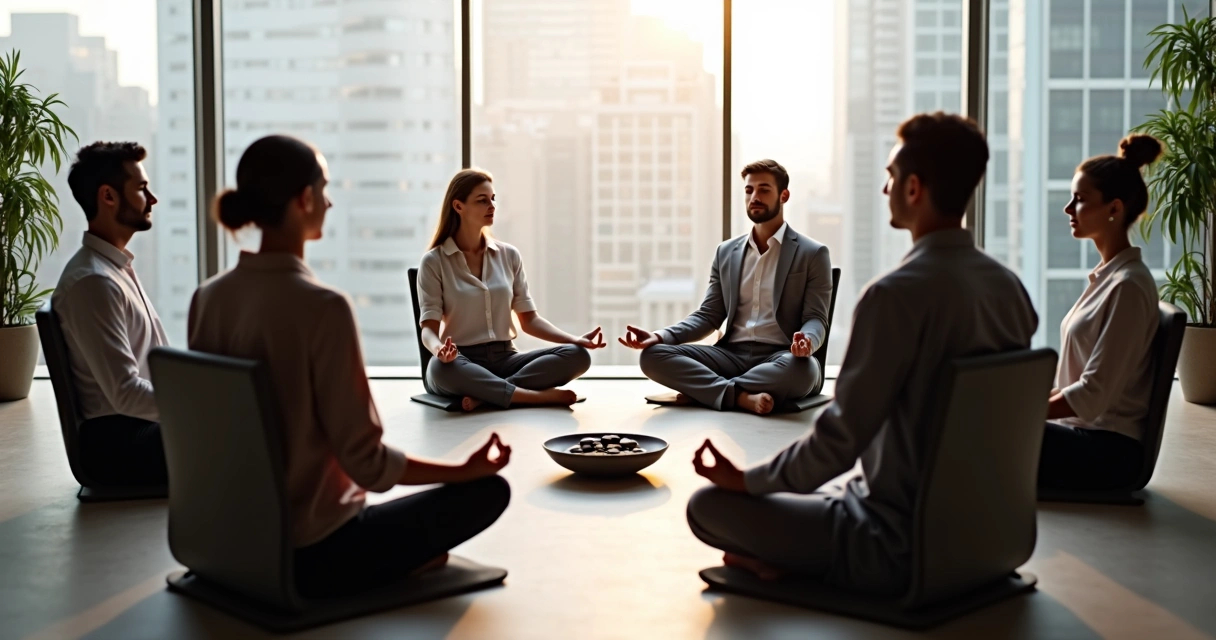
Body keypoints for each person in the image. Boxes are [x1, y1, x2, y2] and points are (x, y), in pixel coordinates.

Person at [685, 113, 1038, 593]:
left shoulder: (893, 296)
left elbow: (837, 442)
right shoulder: (1010, 290)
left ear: (913, 188)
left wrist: (747, 479)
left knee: (708, 506)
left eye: (890, 177)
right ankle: (797, 555)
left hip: (897, 543)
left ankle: (801, 562)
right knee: (830, 492)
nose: (883, 188)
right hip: (997, 540)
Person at [188, 135, 512, 598]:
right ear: (304, 200)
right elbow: (368, 464)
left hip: (227, 542)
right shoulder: (323, 307)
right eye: (324, 189)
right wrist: (464, 468)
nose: (329, 200)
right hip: (313, 550)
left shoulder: (209, 298)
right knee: (488, 491)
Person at [620, 159, 833, 415]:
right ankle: (741, 397)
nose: (754, 197)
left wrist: (807, 342)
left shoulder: (813, 253)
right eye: (749, 190)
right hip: (729, 356)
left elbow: (816, 319)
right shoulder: (726, 252)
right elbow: (708, 316)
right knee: (652, 357)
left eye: (764, 189)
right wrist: (659, 336)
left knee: (804, 371)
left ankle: (709, 392)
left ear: (783, 195)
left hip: (780, 357)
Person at [418, 168, 604, 412]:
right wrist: (439, 350)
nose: (491, 206)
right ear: (458, 206)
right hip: (460, 361)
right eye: (482, 200)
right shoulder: (434, 261)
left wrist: (574, 340)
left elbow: (529, 321)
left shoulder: (509, 255)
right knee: (438, 369)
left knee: (578, 356)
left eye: (493, 199)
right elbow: (428, 331)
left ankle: (489, 396)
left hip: (506, 358)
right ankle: (536, 397)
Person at [1039, 135, 1165, 491]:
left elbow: (1092, 396)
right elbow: (1077, 386)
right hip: (1081, 436)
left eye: (1079, 200)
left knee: (972, 438)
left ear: (1114, 208)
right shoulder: (1109, 279)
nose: (1068, 209)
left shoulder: (1127, 286)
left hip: (1106, 452)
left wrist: (1020, 412)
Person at [52, 141, 169, 486]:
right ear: (108, 196)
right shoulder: (94, 282)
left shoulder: (112, 269)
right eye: (142, 188)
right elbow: (125, 393)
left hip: (137, 427)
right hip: (120, 443)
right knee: (250, 433)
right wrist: (192, 407)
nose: (153, 199)